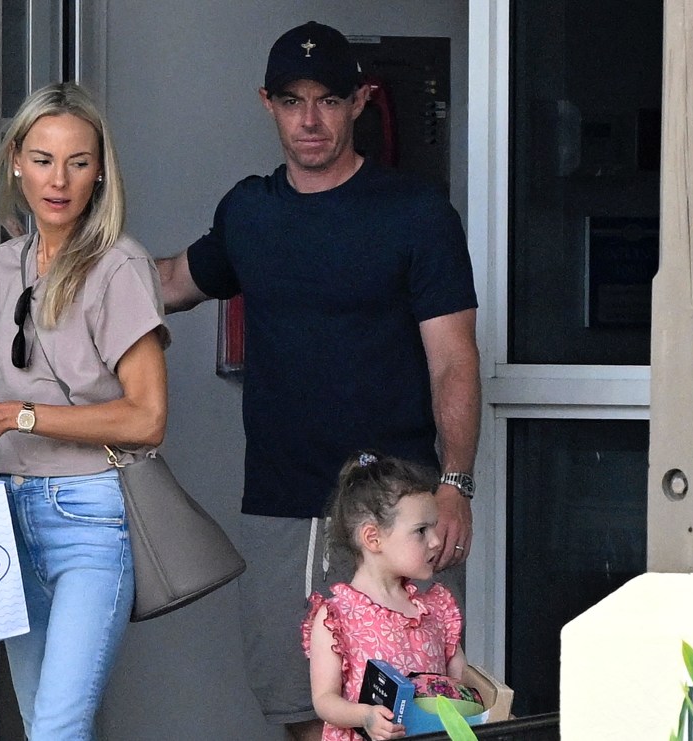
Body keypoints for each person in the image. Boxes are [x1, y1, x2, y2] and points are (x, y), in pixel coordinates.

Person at [156, 20, 481, 741]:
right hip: (282, 505)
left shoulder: (416, 214)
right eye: (292, 99)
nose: (310, 119)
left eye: (328, 100)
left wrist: (456, 483)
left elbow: (455, 358)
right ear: (265, 101)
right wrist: (63, 262)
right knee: (303, 714)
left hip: (397, 511)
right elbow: (171, 281)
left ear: (361, 101)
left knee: (413, 718)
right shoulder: (250, 212)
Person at [0, 81, 169, 740]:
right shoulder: (4, 267)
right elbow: (33, 387)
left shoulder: (119, 266)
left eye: (78, 161)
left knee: (57, 727)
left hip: (92, 517)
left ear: (100, 170)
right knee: (40, 721)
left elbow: (145, 417)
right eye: (43, 158)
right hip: (10, 513)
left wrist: (11, 416)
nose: (60, 179)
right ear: (16, 160)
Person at [303, 452, 471, 741]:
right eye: (421, 531)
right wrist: (365, 716)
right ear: (373, 538)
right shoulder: (337, 617)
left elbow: (461, 684)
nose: (435, 540)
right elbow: (325, 700)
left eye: (433, 527)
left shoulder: (436, 609)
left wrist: (490, 707)